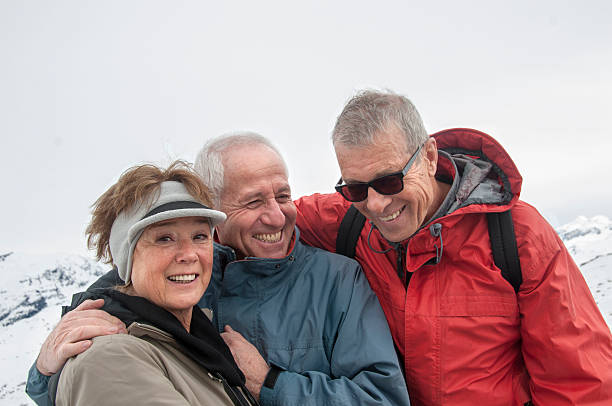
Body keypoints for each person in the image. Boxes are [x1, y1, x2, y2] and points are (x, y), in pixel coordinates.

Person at [26, 134, 410, 406]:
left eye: (282, 195)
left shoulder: (337, 281)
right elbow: (91, 372)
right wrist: (45, 370)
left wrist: (269, 383)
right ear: (215, 211)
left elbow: (385, 398)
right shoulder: (177, 281)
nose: (276, 215)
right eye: (253, 201)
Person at [294, 90, 612, 405]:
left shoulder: (518, 236)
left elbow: (579, 385)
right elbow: (270, 218)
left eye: (390, 181)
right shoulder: (351, 221)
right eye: (355, 188)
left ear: (430, 157)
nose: (376, 204)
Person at [49, 161, 257, 405]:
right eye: (164, 238)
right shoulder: (111, 359)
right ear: (127, 258)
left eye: (200, 236)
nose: (189, 254)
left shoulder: (193, 344)